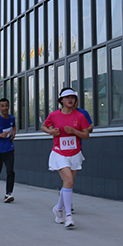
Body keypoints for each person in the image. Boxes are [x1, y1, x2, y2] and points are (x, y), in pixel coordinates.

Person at [41, 88, 90, 229]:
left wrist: (74, 131)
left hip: (74, 153)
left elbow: (86, 135)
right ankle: (68, 215)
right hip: (59, 153)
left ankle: (58, 208)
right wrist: (51, 131)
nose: (70, 100)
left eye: (72, 97)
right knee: (68, 180)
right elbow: (44, 126)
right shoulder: (54, 115)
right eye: (67, 97)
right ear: (61, 100)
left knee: (68, 183)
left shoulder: (80, 116)